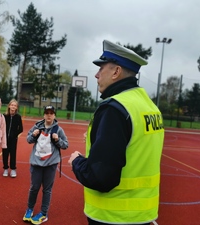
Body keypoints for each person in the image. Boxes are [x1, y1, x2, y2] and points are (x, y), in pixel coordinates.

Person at [68, 40, 165, 225]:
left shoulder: (114, 108)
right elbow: (135, 146)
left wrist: (77, 161)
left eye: (101, 68)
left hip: (113, 216)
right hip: (143, 215)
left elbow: (101, 178)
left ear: (116, 71)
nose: (96, 75)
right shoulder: (149, 106)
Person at [23, 105, 68, 225]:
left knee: (47, 190)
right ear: (44, 115)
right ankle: (30, 209)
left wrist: (58, 140)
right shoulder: (37, 126)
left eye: (51, 113)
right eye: (47, 113)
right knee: (34, 187)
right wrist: (34, 135)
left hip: (50, 164)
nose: (49, 115)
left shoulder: (58, 129)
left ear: (54, 115)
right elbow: (28, 140)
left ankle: (43, 213)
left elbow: (65, 145)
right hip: (36, 163)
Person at [2, 99, 23, 178]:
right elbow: (1, 126)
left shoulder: (18, 117)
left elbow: (21, 129)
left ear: (16, 107)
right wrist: (3, 135)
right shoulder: (4, 116)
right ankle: (5, 169)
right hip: (5, 139)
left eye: (15, 105)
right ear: (9, 106)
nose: (13, 107)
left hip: (13, 139)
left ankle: (13, 169)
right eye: (12, 105)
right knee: (5, 153)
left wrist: (14, 135)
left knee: (13, 154)